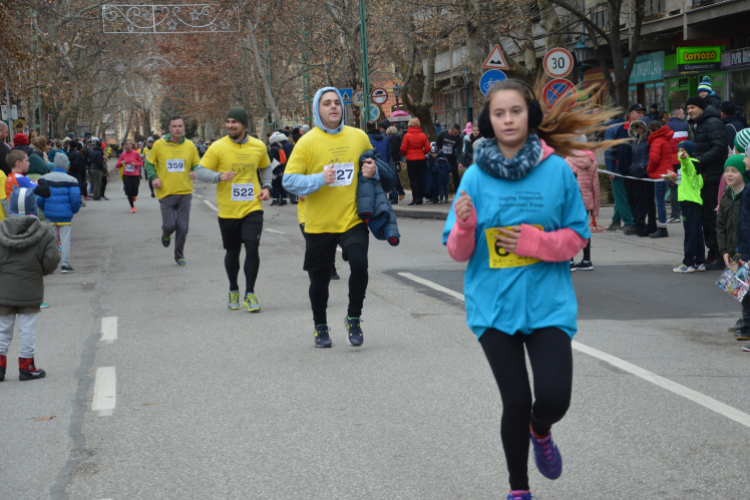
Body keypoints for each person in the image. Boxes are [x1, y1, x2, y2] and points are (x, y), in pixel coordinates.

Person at [443, 79, 617, 500]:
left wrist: (532, 243)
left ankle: (542, 430)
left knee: (554, 398)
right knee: (516, 400)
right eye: (499, 113)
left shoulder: (556, 170)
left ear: (530, 116)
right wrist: (465, 224)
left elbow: (577, 236)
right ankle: (518, 490)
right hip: (493, 308)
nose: (507, 119)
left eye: (515, 111)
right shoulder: (473, 178)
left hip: (547, 306)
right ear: (488, 120)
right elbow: (457, 251)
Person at [283, 87, 384, 348]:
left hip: (352, 218)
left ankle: (353, 317)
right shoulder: (306, 142)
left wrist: (374, 170)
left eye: (337, 102)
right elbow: (289, 181)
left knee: (360, 265)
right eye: (326, 103)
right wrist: (319, 179)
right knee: (320, 279)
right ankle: (320, 326)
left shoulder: (359, 136)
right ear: (318, 109)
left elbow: (374, 164)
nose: (333, 107)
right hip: (320, 222)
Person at [192, 107, 272, 311]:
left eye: (234, 122)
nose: (230, 126)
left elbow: (266, 167)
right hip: (228, 210)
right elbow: (200, 171)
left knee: (252, 248)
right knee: (232, 251)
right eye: (227, 122)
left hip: (253, 207)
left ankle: (250, 293)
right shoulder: (218, 147)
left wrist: (267, 187)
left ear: (244, 124)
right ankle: (233, 288)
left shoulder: (258, 146)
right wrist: (219, 177)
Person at [0, 186, 61, 382]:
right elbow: (52, 259)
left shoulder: (1, 229)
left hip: (3, 289)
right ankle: (27, 366)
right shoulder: (43, 232)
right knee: (27, 327)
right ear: (33, 207)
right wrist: (39, 271)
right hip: (31, 287)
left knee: (2, 327)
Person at [144, 117, 200, 266]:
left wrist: (195, 171)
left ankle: (179, 255)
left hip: (185, 192)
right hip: (166, 192)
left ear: (184, 128)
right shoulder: (159, 145)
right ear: (169, 128)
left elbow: (196, 164)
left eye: (180, 126)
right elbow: (148, 164)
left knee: (183, 227)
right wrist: (154, 177)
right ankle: (166, 233)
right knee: (170, 225)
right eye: (174, 126)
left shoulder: (190, 145)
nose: (177, 129)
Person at [686, 95, 728, 269]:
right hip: (703, 178)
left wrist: (699, 162)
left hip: (713, 178)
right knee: (705, 218)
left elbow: (719, 149)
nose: (690, 111)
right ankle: (712, 253)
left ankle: (719, 256)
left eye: (693, 107)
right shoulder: (701, 124)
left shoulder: (713, 123)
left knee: (713, 218)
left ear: (702, 108)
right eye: (688, 108)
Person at [37, 153, 81, 273]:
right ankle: (65, 264)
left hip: (50, 214)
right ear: (66, 165)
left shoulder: (44, 178)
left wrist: (45, 209)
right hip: (65, 215)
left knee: (50, 240)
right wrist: (73, 210)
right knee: (65, 239)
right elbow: (75, 199)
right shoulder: (72, 180)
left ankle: (50, 265)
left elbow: (40, 199)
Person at [612, 104, 646, 235]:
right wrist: (617, 167)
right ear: (630, 114)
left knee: (640, 199)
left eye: (642, 113)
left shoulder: (645, 128)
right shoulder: (623, 128)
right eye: (638, 112)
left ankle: (639, 224)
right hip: (627, 171)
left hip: (641, 170)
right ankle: (633, 223)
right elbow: (617, 149)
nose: (641, 115)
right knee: (630, 198)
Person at [673, 141, 706, 273]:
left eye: (683, 150)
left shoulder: (690, 163)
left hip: (689, 202)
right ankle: (700, 261)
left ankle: (688, 263)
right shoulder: (693, 166)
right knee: (697, 233)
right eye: (678, 150)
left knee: (690, 234)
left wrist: (685, 159)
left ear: (689, 152)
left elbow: (688, 166)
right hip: (694, 202)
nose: (680, 153)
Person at [565, 144, 599, 270]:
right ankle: (587, 260)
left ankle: (570, 261)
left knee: (568, 230)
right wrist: (595, 208)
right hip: (586, 200)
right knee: (584, 229)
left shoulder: (567, 161)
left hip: (571, 201)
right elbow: (596, 185)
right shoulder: (592, 160)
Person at [604, 114, 632, 232]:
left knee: (620, 197)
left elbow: (608, 150)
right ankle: (618, 221)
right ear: (625, 115)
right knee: (620, 196)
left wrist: (609, 169)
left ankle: (627, 222)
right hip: (626, 167)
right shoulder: (627, 126)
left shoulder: (610, 129)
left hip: (616, 168)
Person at [629, 118, 657, 237]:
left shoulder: (648, 140)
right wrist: (633, 167)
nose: (638, 129)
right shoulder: (636, 140)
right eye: (636, 127)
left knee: (649, 201)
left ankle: (652, 225)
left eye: (640, 127)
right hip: (637, 173)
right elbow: (634, 156)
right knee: (640, 200)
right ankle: (643, 224)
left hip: (645, 173)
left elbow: (651, 155)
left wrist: (643, 166)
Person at [646, 120, 674, 238]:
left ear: (650, 130)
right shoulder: (665, 139)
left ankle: (662, 227)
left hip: (659, 175)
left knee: (659, 202)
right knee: (661, 200)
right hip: (666, 173)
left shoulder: (656, 141)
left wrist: (648, 169)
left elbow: (654, 159)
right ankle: (662, 226)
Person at [666, 107, 689, 223]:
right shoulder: (686, 126)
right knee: (684, 186)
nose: (684, 115)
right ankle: (685, 213)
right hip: (684, 162)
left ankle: (675, 215)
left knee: (674, 187)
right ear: (678, 114)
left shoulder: (665, 127)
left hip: (671, 163)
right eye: (683, 113)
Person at [400, 117, 431, 205]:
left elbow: (403, 148)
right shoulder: (423, 135)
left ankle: (415, 198)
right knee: (421, 179)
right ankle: (420, 198)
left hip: (411, 160)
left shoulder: (407, 136)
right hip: (421, 159)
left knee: (413, 179)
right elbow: (428, 148)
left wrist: (406, 154)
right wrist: (422, 152)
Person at [436, 122, 464, 194]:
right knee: (438, 173)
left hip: (451, 156)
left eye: (458, 132)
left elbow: (460, 151)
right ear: (451, 129)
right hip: (442, 156)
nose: (456, 134)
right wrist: (439, 151)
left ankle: (457, 191)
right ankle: (438, 191)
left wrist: (460, 162)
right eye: (455, 132)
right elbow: (437, 144)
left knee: (455, 173)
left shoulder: (459, 137)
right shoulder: (442, 133)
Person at [116, 140, 144, 213]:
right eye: (127, 144)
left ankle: (134, 195)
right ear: (125, 145)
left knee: (135, 192)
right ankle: (132, 206)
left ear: (132, 145)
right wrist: (121, 163)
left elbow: (141, 163)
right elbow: (117, 165)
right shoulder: (123, 154)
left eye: (130, 144)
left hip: (135, 174)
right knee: (128, 191)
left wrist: (135, 164)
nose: (128, 145)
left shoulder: (136, 153)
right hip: (126, 175)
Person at [386, 126, 405, 203]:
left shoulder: (391, 139)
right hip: (397, 159)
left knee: (394, 177)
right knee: (396, 176)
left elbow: (390, 150)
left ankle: (399, 193)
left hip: (392, 160)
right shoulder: (398, 138)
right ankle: (400, 192)